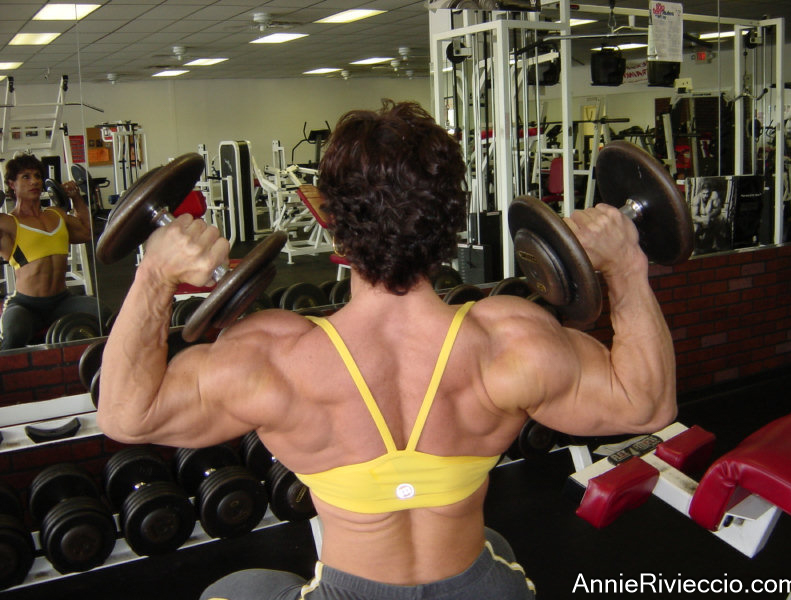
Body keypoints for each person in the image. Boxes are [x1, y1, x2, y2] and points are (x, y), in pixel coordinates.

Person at [97, 100, 677, 600]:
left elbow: (126, 414)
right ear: (451, 223)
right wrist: (626, 265)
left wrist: (155, 275)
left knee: (232, 589)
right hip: (476, 586)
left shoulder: (271, 358)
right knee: (494, 545)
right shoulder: (511, 340)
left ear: (331, 223)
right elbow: (646, 405)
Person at [0, 153, 102, 350]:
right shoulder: (8, 222)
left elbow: (86, 232)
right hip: (25, 305)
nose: (34, 181)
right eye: (26, 177)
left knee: (102, 314)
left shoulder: (57, 214)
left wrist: (76, 198)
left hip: (62, 300)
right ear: (12, 184)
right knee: (13, 335)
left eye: (38, 176)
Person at [690, 181, 728, 254]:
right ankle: (695, 248)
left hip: (711, 218)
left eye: (707, 193)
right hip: (699, 220)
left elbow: (718, 209)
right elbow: (694, 216)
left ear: (710, 192)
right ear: (701, 192)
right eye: (704, 193)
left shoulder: (714, 195)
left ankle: (719, 246)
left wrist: (709, 216)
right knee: (695, 229)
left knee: (722, 220)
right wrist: (703, 220)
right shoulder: (696, 199)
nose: (706, 196)